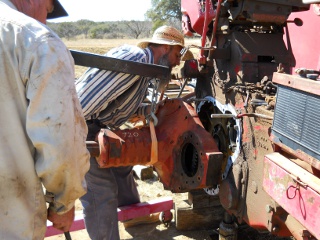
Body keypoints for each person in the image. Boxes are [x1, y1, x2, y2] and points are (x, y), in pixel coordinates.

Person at [76, 25, 188, 240]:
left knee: (122, 163)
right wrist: (74, 135)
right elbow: (88, 98)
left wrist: (150, 110)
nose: (178, 61)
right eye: (176, 54)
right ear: (165, 48)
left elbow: (118, 104)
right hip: (80, 125)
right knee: (101, 191)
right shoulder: (136, 59)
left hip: (94, 125)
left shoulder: (144, 70)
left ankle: (135, 217)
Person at [0, 0, 90, 239]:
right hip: (11, 221)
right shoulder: (37, 41)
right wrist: (64, 202)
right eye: (48, 10)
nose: (45, 20)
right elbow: (58, 137)